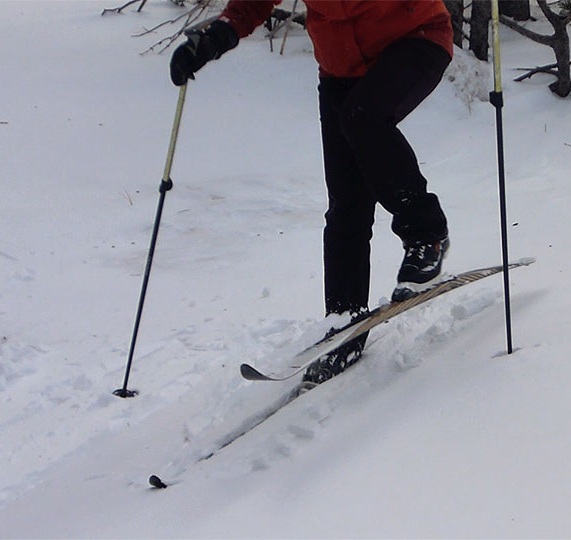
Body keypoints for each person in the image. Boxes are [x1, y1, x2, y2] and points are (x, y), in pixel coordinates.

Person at [170, 0, 453, 384]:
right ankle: (344, 324)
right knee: (346, 207)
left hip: (414, 39)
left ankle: (427, 234)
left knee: (363, 117)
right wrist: (216, 36)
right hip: (340, 70)